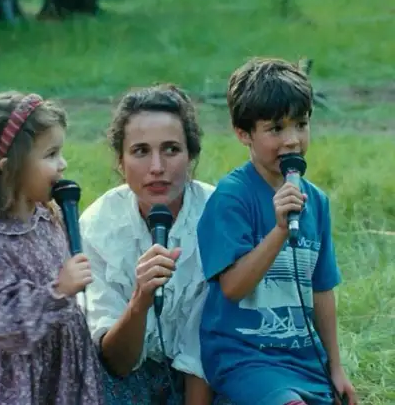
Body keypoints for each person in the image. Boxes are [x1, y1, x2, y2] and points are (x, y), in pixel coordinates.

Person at [197, 58, 358, 405]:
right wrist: (279, 231)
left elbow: (322, 290)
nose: (292, 141)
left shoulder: (317, 202)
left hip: (303, 359)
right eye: (275, 129)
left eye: (301, 124)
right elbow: (232, 288)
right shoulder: (231, 197)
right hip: (244, 357)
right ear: (244, 134)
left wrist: (336, 367)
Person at [0, 92, 104, 405]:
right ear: (8, 168)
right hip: (12, 378)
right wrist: (58, 290)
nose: (63, 164)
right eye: (51, 154)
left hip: (61, 365)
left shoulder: (47, 216)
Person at [79, 84, 217, 405]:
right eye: (141, 151)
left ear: (191, 155)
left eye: (171, 149)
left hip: (208, 375)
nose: (157, 167)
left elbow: (209, 335)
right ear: (120, 161)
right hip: (127, 379)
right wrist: (140, 300)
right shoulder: (97, 227)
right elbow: (115, 362)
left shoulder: (219, 214)